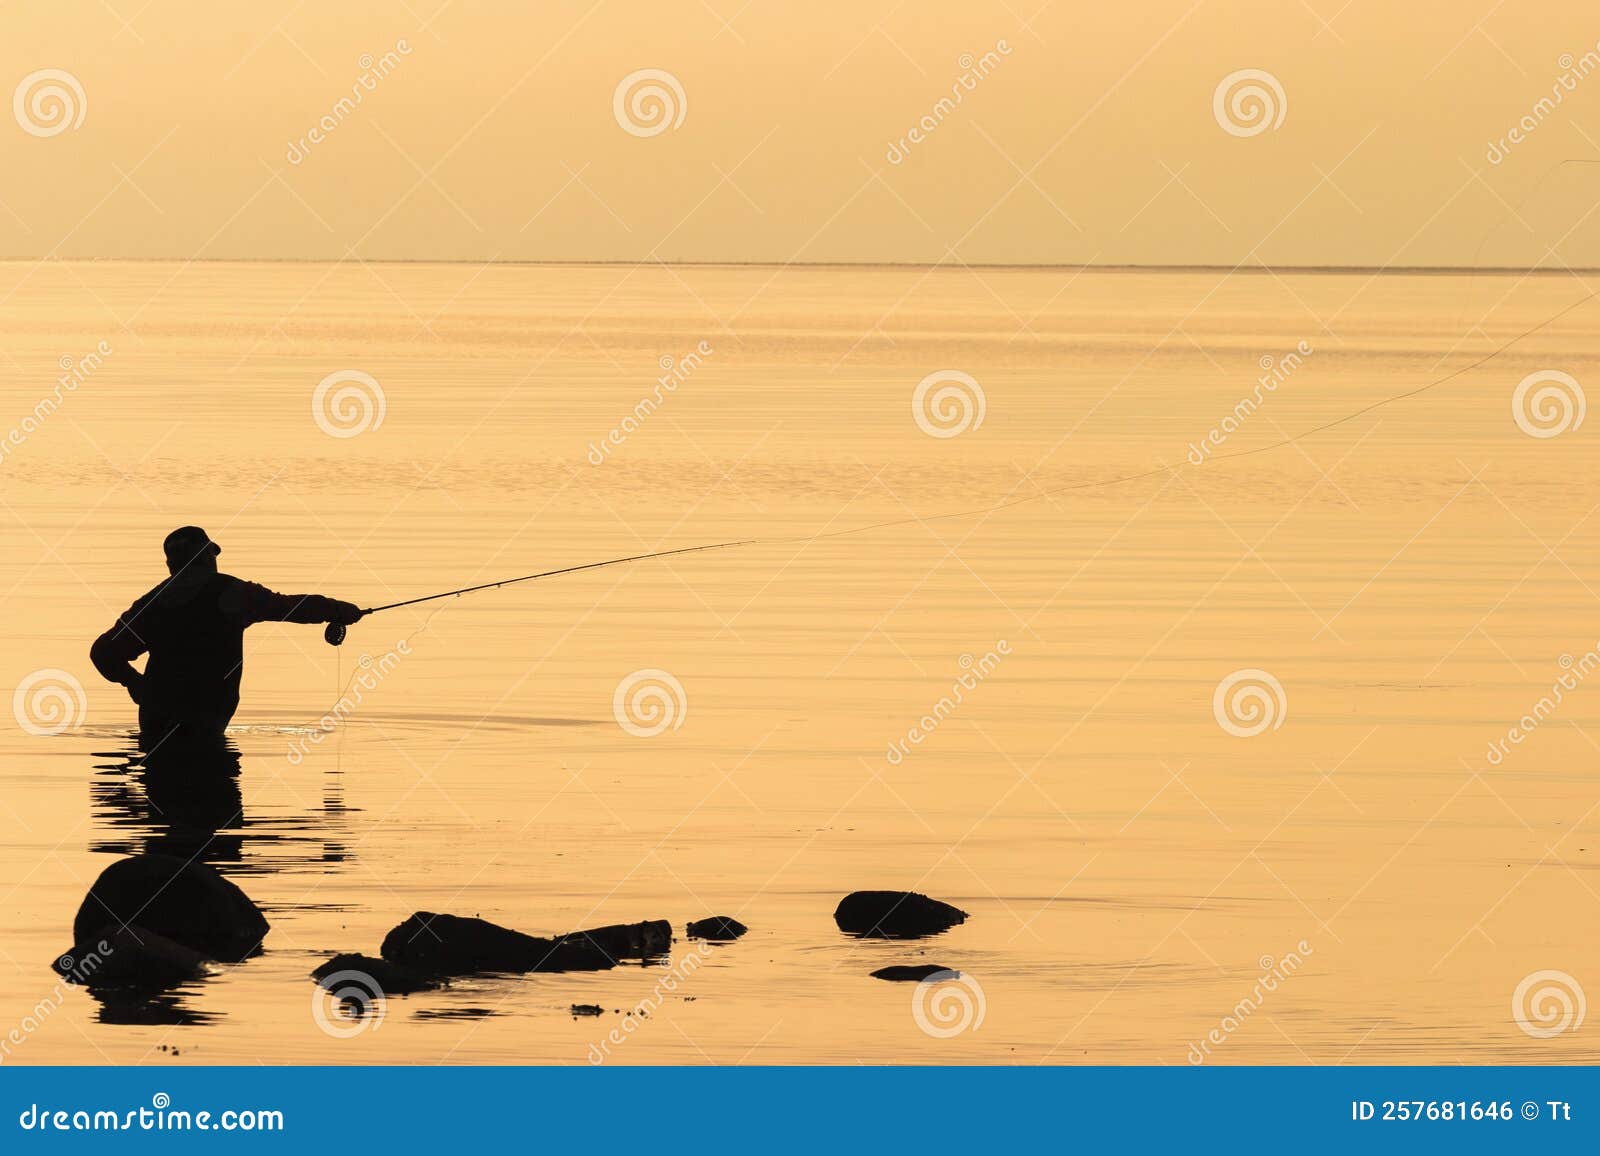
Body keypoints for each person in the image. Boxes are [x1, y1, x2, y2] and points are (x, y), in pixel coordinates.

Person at [90, 526, 363, 744]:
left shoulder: (152, 605)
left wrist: (135, 684)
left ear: (170, 565)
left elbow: (102, 652)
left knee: (162, 807)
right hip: (205, 721)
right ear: (209, 557)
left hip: (156, 720)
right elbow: (291, 607)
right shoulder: (233, 594)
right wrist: (337, 610)